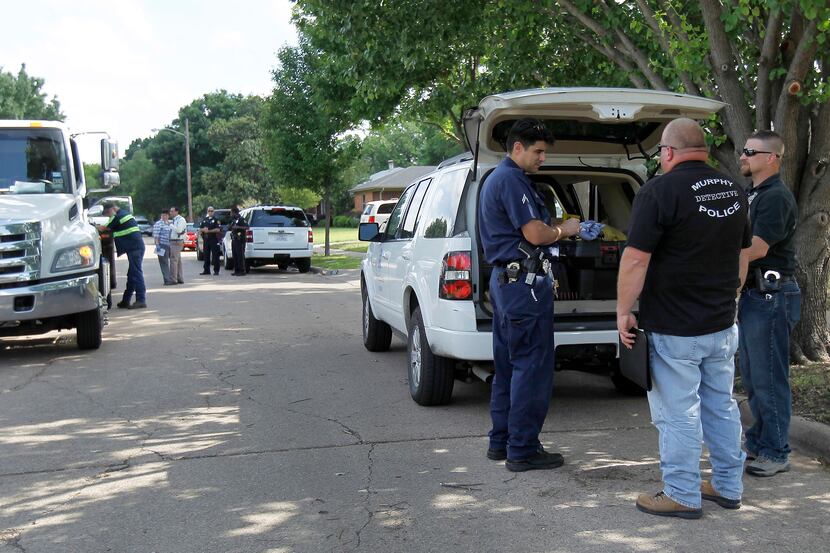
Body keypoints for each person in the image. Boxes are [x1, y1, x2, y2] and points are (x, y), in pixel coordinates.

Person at [617, 118, 752, 519]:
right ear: (704, 151)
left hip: (675, 328)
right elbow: (742, 254)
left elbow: (636, 258)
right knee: (721, 407)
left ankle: (681, 492)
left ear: (669, 152)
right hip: (722, 324)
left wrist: (624, 311)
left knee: (678, 413)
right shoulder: (735, 189)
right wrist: (731, 295)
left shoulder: (659, 191)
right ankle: (728, 487)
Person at [477, 118, 580, 472]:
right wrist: (564, 230)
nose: (543, 159)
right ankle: (522, 449)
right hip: (524, 288)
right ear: (517, 148)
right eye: (538, 151)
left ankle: (502, 442)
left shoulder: (497, 179)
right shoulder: (511, 179)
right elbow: (535, 234)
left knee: (508, 367)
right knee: (531, 370)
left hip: (507, 284)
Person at [737, 130, 800, 478]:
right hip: (756, 296)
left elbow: (757, 248)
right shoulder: (754, 194)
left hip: (771, 296)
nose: (742, 156)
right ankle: (759, 445)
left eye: (750, 151)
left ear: (771, 158)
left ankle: (776, 452)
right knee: (752, 376)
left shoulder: (775, 197)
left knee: (769, 378)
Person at [96, 202, 148, 309]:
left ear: (113, 209)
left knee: (136, 273)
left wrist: (93, 226)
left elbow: (103, 228)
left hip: (134, 248)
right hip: (135, 247)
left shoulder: (118, 217)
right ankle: (126, 300)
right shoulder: (124, 214)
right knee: (132, 274)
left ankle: (141, 300)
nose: (108, 215)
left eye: (107, 213)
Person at [153, 209, 175, 285]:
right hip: (162, 245)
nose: (164, 217)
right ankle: (167, 280)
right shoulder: (158, 224)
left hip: (170, 245)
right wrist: (157, 245)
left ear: (168, 216)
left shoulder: (170, 223)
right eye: (163, 215)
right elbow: (156, 236)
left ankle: (172, 278)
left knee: (172, 262)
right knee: (164, 262)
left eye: (165, 215)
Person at [198, 206, 222, 275]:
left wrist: (209, 231)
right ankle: (206, 270)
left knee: (215, 256)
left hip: (214, 239)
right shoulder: (205, 220)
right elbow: (200, 229)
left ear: (213, 212)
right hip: (206, 239)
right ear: (207, 212)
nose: (210, 212)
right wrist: (203, 230)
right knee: (206, 255)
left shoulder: (216, 220)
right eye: (209, 211)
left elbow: (218, 229)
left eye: (211, 211)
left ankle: (216, 270)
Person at [168, 206, 187, 284]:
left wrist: (170, 225)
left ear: (176, 212)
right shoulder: (175, 220)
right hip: (174, 241)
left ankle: (173, 279)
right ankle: (179, 278)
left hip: (177, 241)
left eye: (172, 211)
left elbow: (179, 230)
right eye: (170, 211)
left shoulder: (181, 220)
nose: (170, 213)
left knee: (173, 260)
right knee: (178, 261)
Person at [228, 206, 249, 276]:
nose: (230, 214)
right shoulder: (234, 220)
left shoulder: (241, 219)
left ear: (234, 212)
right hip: (234, 239)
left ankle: (242, 270)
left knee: (240, 255)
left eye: (231, 212)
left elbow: (247, 227)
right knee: (235, 255)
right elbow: (230, 227)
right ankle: (236, 270)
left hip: (240, 239)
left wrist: (238, 227)